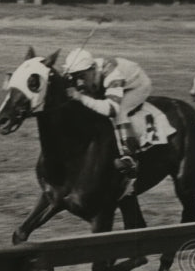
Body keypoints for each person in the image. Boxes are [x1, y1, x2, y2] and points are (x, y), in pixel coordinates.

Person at [63, 48, 152, 177]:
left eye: (82, 76)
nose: (79, 81)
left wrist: (81, 97)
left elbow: (111, 109)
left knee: (120, 111)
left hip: (138, 86)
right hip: (117, 82)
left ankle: (130, 158)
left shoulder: (113, 75)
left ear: (93, 68)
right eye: (75, 76)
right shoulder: (91, 71)